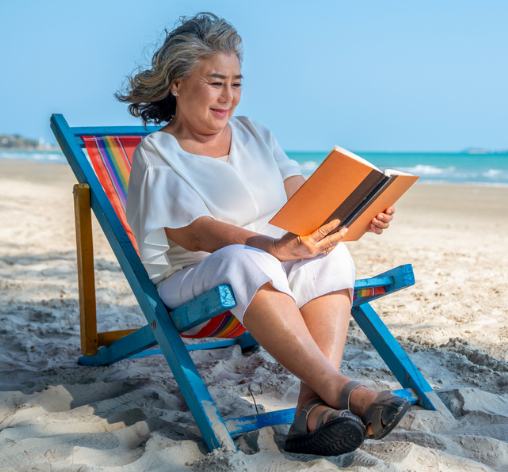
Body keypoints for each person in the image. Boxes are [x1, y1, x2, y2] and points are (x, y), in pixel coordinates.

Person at [116, 13, 409, 456]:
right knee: (243, 257)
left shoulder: (255, 133)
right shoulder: (158, 153)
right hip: (197, 277)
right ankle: (344, 390)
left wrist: (356, 217)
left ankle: (310, 413)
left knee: (330, 258)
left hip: (272, 264)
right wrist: (271, 246)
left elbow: (303, 197)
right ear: (177, 82)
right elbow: (196, 233)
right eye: (216, 82)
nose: (228, 97)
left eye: (236, 83)